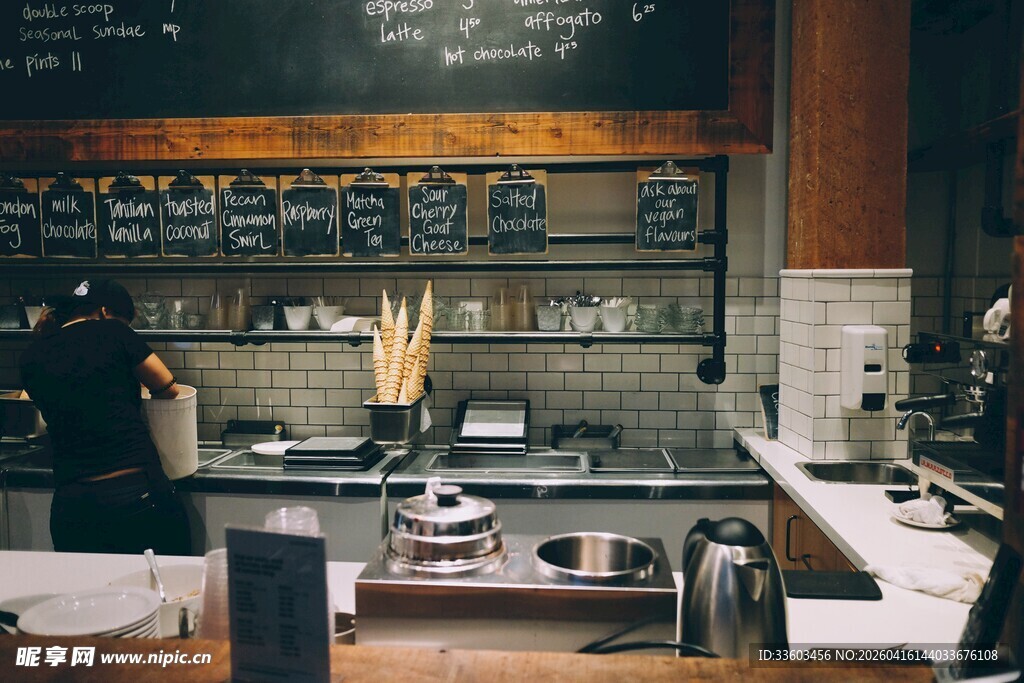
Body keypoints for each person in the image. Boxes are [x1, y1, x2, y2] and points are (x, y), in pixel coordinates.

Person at [19, 279, 191, 555]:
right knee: (166, 590)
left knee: (91, 593)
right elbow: (168, 387)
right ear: (103, 311)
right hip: (134, 495)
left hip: (71, 505)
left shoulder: (32, 354)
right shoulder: (113, 332)